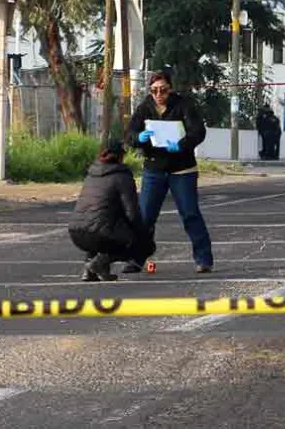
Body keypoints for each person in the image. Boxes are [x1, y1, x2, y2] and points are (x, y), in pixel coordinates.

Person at [126, 70, 213, 273]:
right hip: (154, 168)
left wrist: (181, 144)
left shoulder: (184, 105)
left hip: (182, 168)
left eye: (163, 90)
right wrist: (139, 138)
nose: (158, 95)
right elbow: (129, 133)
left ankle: (203, 259)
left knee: (190, 214)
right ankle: (136, 258)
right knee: (146, 216)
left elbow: (198, 131)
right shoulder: (144, 108)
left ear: (170, 89)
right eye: (154, 90)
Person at [68, 139, 156, 281]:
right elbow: (132, 212)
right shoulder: (122, 176)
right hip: (99, 234)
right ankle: (97, 264)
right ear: (121, 156)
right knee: (140, 243)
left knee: (98, 224)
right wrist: (143, 234)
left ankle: (89, 270)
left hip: (76, 233)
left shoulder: (91, 173)